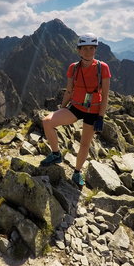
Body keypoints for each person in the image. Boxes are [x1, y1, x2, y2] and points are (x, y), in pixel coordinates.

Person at [40, 32, 111, 188]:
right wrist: (62, 108)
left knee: (84, 144)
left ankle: (77, 172)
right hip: (76, 107)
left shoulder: (102, 68)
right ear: (79, 50)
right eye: (84, 49)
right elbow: (69, 90)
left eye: (91, 48)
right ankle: (56, 154)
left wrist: (101, 117)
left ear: (95, 49)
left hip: (93, 111)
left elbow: (105, 95)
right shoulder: (73, 68)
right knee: (47, 121)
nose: (88, 52)